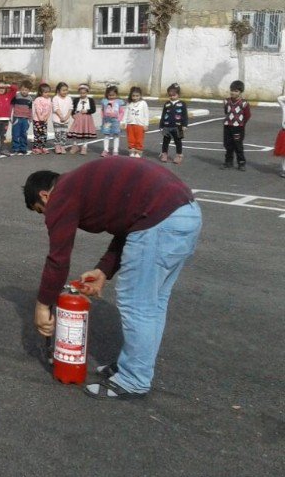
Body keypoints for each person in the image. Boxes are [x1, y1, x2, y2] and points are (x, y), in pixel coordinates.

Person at [24, 159, 202, 400]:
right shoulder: (80, 183)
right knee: (153, 305)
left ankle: (133, 380)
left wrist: (42, 305)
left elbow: (59, 258)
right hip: (185, 214)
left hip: (160, 221)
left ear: (45, 196)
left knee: (137, 306)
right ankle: (132, 366)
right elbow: (129, 222)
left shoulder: (61, 195)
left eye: (40, 210)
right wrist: (103, 271)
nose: (46, 215)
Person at [222, 79, 251, 171]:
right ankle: (228, 162)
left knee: (238, 145)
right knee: (228, 144)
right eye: (232, 90)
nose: (233, 93)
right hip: (227, 126)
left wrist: (241, 123)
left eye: (236, 91)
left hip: (238, 127)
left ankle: (241, 163)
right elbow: (226, 111)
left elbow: (247, 115)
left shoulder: (244, 103)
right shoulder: (226, 101)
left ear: (240, 92)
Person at [159, 83, 188, 165]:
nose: (172, 97)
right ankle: (164, 154)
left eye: (174, 95)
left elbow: (185, 115)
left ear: (178, 94)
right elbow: (163, 114)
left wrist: (185, 125)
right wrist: (161, 125)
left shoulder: (182, 104)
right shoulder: (167, 104)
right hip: (167, 126)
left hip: (179, 126)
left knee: (178, 141)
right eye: (170, 95)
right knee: (165, 141)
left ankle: (179, 155)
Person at [0, 79, 18, 156]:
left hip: (6, 119)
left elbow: (15, 88)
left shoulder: (9, 95)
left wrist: (7, 85)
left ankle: (3, 149)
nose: (1, 89)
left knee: (4, 135)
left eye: (3, 87)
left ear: (6, 88)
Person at [69, 83, 97, 155]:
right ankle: (75, 145)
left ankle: (84, 146)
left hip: (87, 119)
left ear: (87, 92)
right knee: (74, 132)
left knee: (85, 132)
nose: (82, 94)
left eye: (84, 93)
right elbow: (73, 108)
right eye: (81, 93)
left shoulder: (90, 100)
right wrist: (73, 115)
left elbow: (93, 110)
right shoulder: (76, 100)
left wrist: (87, 111)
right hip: (78, 118)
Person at [123, 86, 150, 158]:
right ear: (131, 96)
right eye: (133, 96)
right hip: (130, 124)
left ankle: (138, 152)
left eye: (137, 96)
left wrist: (146, 124)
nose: (135, 97)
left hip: (140, 125)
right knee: (131, 139)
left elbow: (146, 114)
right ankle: (132, 151)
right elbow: (126, 113)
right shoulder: (129, 103)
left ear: (140, 95)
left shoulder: (143, 103)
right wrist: (123, 122)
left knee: (139, 139)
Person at [99, 85, 125, 157]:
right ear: (107, 94)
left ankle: (115, 150)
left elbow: (122, 111)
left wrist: (120, 119)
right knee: (106, 135)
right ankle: (105, 150)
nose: (111, 96)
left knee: (116, 135)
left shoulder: (119, 102)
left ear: (116, 94)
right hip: (107, 121)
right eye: (110, 95)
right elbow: (102, 110)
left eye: (113, 95)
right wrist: (103, 117)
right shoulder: (104, 101)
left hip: (115, 121)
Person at [10, 82, 33, 156]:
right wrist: (11, 117)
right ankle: (15, 149)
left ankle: (23, 149)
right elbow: (11, 106)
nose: (24, 91)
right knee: (15, 134)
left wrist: (30, 119)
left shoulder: (30, 98)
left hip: (25, 119)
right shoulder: (16, 96)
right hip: (16, 118)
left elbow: (30, 109)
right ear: (20, 89)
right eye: (22, 90)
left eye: (26, 90)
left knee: (24, 134)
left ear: (29, 90)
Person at [51, 82, 73, 155]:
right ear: (58, 91)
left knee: (64, 134)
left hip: (66, 120)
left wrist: (66, 117)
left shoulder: (69, 98)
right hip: (57, 119)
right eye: (63, 90)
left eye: (66, 90)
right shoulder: (55, 98)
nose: (65, 92)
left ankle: (62, 146)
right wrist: (61, 117)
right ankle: (57, 146)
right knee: (57, 133)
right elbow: (56, 108)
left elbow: (70, 108)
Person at [32, 82, 52, 155]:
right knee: (37, 134)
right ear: (41, 92)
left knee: (43, 134)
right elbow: (37, 109)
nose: (47, 94)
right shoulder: (38, 99)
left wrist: (46, 117)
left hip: (44, 120)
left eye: (48, 92)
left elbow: (49, 109)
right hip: (37, 120)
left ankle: (43, 147)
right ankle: (36, 147)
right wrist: (40, 117)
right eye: (45, 92)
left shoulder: (49, 99)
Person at [275, 93, 285, 178]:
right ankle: (284, 170)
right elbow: (279, 98)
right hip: (284, 132)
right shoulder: (284, 106)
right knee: (283, 154)